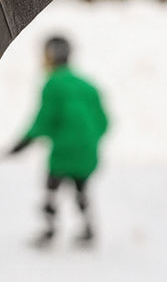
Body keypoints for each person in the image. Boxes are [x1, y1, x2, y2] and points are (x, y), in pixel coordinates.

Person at [10, 35, 109, 246]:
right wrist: (89, 139)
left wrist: (24, 141)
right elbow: (104, 121)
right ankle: (88, 229)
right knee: (81, 188)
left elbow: (44, 119)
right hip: (88, 152)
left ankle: (50, 230)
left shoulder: (53, 84)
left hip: (63, 151)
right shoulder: (87, 85)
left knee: (51, 189)